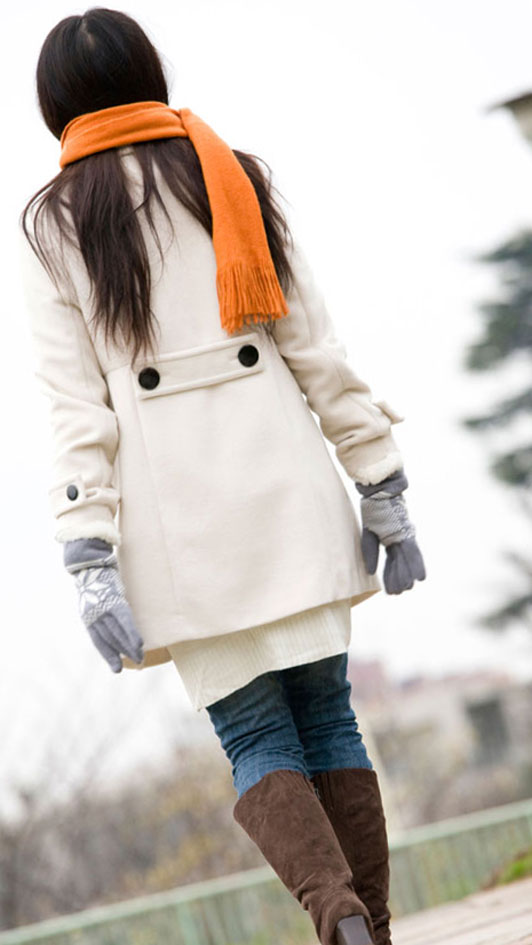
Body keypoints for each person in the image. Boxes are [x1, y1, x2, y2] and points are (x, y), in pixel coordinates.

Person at [18, 8, 426, 945]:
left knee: (256, 739)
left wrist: (89, 552)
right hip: (287, 496)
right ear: (150, 71)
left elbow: (76, 406)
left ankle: (337, 916)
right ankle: (372, 926)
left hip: (182, 529)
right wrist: (381, 482)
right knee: (329, 718)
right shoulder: (230, 174)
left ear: (55, 107)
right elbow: (313, 346)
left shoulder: (53, 222)